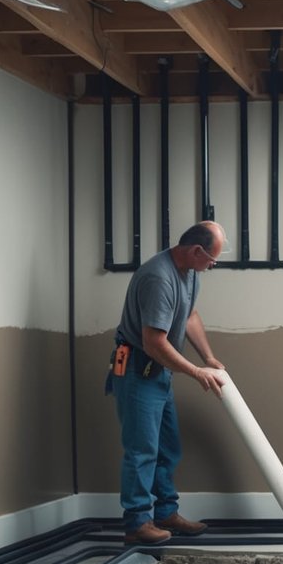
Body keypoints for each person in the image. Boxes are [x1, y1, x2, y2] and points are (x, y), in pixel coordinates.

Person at [110, 221, 227, 545]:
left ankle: (164, 513)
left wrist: (208, 357)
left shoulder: (188, 273)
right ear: (196, 251)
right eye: (212, 259)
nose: (213, 265)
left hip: (158, 372)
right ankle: (137, 524)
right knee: (142, 450)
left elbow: (189, 315)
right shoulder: (158, 278)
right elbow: (153, 343)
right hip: (138, 369)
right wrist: (196, 372)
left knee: (167, 448)